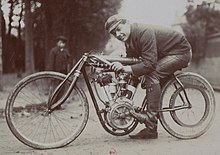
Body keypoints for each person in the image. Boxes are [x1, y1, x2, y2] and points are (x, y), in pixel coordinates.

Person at [105, 14, 192, 139]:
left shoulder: (143, 32)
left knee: (152, 75)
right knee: (139, 72)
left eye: (118, 29)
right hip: (164, 55)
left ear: (127, 22)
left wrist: (125, 68)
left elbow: (149, 64)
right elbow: (134, 63)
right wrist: (122, 68)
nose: (117, 34)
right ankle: (151, 130)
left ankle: (150, 120)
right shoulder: (129, 40)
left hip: (180, 52)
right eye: (114, 33)